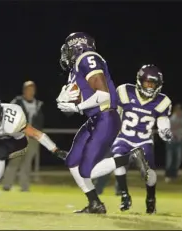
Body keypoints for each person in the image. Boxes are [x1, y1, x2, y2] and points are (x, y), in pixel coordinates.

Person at [56, 32, 150, 214]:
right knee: (72, 161)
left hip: (105, 117)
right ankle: (94, 203)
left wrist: (76, 107)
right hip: (95, 118)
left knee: (86, 171)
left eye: (67, 50)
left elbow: (103, 94)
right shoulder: (77, 67)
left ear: (76, 46)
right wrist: (66, 101)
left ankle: (130, 157)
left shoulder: (87, 58)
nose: (65, 55)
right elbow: (85, 97)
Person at [110, 65, 172, 213]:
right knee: (117, 159)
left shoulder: (162, 101)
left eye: (153, 84)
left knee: (149, 174)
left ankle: (151, 199)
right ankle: (124, 195)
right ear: (140, 81)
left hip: (143, 141)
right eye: (147, 83)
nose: (149, 87)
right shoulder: (125, 91)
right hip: (124, 137)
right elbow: (114, 113)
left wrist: (165, 131)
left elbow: (163, 122)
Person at [2, 80, 44, 192]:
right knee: (14, 160)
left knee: (27, 163)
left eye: (33, 89)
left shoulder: (38, 104)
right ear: (24, 90)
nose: (31, 91)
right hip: (19, 136)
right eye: (29, 89)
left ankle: (24, 186)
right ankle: (7, 184)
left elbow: (40, 121)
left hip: (33, 137)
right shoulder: (17, 102)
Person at [165, 104, 182, 182]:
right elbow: (168, 128)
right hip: (171, 140)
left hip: (179, 140)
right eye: (177, 110)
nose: (179, 112)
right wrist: (176, 128)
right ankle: (168, 175)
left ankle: (174, 175)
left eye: (180, 110)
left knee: (178, 158)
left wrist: (179, 127)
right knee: (170, 158)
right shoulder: (172, 118)